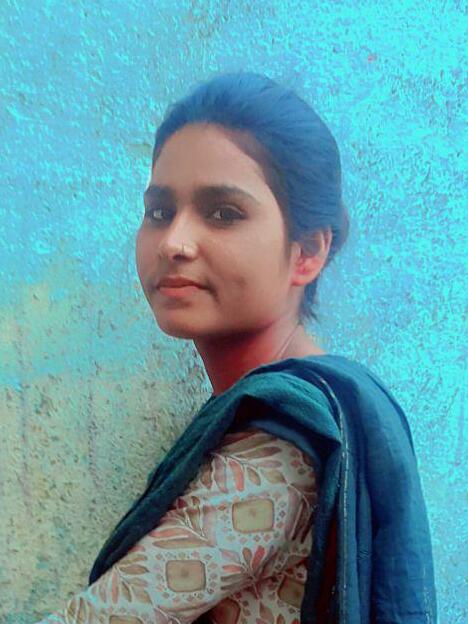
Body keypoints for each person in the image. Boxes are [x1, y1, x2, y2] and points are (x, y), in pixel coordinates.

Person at [36, 71, 437, 623]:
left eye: (223, 213)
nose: (174, 242)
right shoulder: (270, 414)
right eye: (160, 212)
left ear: (308, 251)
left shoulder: (280, 451)